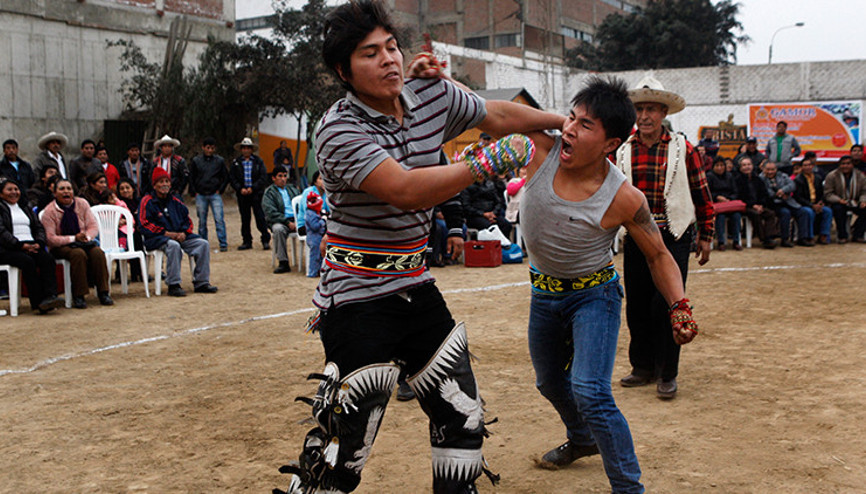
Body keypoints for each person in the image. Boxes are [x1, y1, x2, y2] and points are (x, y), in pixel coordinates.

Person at [274, 2, 564, 492]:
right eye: (371, 53)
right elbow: (408, 189)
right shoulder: (337, 131)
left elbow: (495, 113)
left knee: (463, 415)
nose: (389, 59)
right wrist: (487, 161)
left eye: (392, 47)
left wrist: (564, 121)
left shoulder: (429, 93)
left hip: (415, 284)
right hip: (356, 297)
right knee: (347, 447)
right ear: (344, 70)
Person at [521, 76, 698, 494]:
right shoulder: (542, 150)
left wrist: (680, 305)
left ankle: (628, 487)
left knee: (590, 390)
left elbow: (658, 254)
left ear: (609, 144)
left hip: (593, 296)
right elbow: (495, 114)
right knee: (548, 381)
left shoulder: (624, 196)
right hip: (543, 294)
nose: (570, 129)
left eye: (585, 125)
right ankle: (582, 438)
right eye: (571, 118)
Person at [612, 75, 714, 400]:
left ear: (663, 112)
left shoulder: (684, 148)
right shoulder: (622, 150)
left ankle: (667, 373)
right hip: (637, 236)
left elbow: (701, 192)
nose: (645, 116)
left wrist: (707, 234)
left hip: (674, 235)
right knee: (638, 304)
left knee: (668, 303)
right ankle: (642, 367)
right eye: (640, 109)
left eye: (651, 109)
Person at [139, 168, 218, 297]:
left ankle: (201, 282)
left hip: (179, 236)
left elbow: (187, 220)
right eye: (161, 182)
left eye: (167, 181)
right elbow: (144, 224)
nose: (165, 184)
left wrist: (184, 233)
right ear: (154, 185)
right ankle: (173, 284)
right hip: (158, 238)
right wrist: (166, 234)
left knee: (203, 244)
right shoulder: (147, 201)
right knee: (173, 246)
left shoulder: (175, 200)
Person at [40, 179, 113, 309]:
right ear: (55, 193)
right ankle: (79, 295)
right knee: (77, 254)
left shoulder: (82, 203)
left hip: (83, 242)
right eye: (62, 189)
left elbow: (93, 226)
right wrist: (74, 238)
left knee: (97, 253)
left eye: (69, 188)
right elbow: (50, 239)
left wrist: (87, 237)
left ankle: (103, 292)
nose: (66, 192)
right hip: (61, 246)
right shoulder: (49, 211)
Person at [0, 178, 64, 314]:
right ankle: (38, 302)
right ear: (1, 194)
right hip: (8, 249)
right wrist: (19, 245)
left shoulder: (25, 207)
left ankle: (50, 296)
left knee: (47, 259)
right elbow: (2, 233)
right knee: (28, 262)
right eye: (9, 189)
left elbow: (38, 227)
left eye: (16, 189)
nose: (14, 192)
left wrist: (39, 243)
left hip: (31, 245)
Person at [229, 137, 271, 251]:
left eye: (248, 148)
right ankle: (247, 241)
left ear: (251, 149)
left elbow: (263, 177)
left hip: (256, 194)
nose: (246, 150)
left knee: (260, 217)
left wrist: (254, 188)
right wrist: (239, 188)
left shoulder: (258, 162)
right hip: (242, 194)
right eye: (244, 148)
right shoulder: (236, 163)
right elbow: (232, 178)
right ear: (241, 149)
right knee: (245, 218)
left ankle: (265, 239)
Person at [189, 137, 229, 252]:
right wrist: (194, 192)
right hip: (201, 194)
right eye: (208, 148)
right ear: (203, 148)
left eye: (212, 148)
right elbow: (191, 177)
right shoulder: (196, 161)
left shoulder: (219, 161)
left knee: (219, 219)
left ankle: (223, 243)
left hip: (214, 194)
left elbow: (225, 176)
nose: (210, 150)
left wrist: (220, 190)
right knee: (202, 221)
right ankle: (202, 243)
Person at [262, 165, 301, 273]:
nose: (283, 179)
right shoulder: (269, 193)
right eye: (280, 176)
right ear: (273, 178)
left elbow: (302, 205)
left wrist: (299, 221)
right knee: (278, 230)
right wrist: (287, 222)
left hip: (296, 220)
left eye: (285, 176)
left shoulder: (292, 189)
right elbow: (271, 213)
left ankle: (315, 261)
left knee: (315, 226)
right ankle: (283, 262)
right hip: (280, 221)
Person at [735, 157, 779, 249]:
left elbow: (764, 194)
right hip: (745, 206)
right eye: (744, 165)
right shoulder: (737, 180)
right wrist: (752, 205)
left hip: (758, 205)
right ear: (740, 168)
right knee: (755, 214)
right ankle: (764, 239)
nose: (747, 167)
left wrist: (761, 205)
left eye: (749, 164)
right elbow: (739, 196)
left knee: (770, 214)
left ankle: (769, 236)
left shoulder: (757, 179)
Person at [760, 162, 807, 248]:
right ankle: (785, 239)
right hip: (773, 203)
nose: (770, 172)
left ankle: (802, 238)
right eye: (768, 169)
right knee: (785, 213)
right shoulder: (761, 178)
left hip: (788, 201)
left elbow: (792, 185)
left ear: (776, 169)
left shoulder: (782, 175)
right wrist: (779, 195)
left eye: (772, 169)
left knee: (802, 212)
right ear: (763, 169)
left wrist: (783, 190)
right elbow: (767, 193)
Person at [823, 155, 866, 243]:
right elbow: (828, 193)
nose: (845, 166)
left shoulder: (860, 175)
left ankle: (857, 234)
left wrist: (863, 201)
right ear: (839, 165)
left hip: (855, 201)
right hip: (838, 202)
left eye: (848, 164)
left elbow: (864, 191)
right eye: (843, 164)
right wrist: (838, 200)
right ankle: (842, 236)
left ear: (852, 165)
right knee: (838, 209)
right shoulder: (832, 176)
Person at [793, 157, 832, 245]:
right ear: (802, 167)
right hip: (804, 205)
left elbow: (822, 193)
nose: (807, 167)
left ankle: (824, 235)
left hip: (816, 203)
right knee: (809, 212)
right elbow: (798, 197)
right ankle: (809, 236)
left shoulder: (818, 178)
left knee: (828, 211)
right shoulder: (798, 180)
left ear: (813, 166)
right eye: (805, 165)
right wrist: (811, 205)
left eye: (809, 165)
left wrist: (820, 202)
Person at [706, 156, 742, 251]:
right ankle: (721, 242)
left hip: (729, 203)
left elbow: (735, 191)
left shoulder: (730, 176)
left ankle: (736, 241)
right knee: (720, 217)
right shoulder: (709, 176)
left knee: (736, 216)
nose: (719, 168)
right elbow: (707, 192)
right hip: (717, 205)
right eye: (717, 165)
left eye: (722, 165)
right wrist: (717, 197)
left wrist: (729, 199)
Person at [460, 174, 512, 240]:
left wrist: (493, 213)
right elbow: (466, 207)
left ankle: (504, 247)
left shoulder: (490, 184)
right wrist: (483, 214)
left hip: (492, 214)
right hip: (475, 216)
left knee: (506, 225)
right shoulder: (466, 186)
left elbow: (499, 202)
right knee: (490, 227)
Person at [295, 171, 329, 236]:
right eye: (320, 179)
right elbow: (308, 211)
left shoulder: (326, 193)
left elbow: (329, 210)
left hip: (320, 223)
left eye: (325, 179)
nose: (323, 181)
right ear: (315, 182)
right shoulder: (308, 192)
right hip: (305, 225)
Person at [304, 190, 326, 277]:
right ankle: (312, 272)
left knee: (320, 256)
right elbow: (315, 226)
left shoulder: (314, 213)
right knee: (315, 256)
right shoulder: (310, 214)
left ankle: (319, 271)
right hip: (314, 238)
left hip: (318, 238)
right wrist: (323, 221)